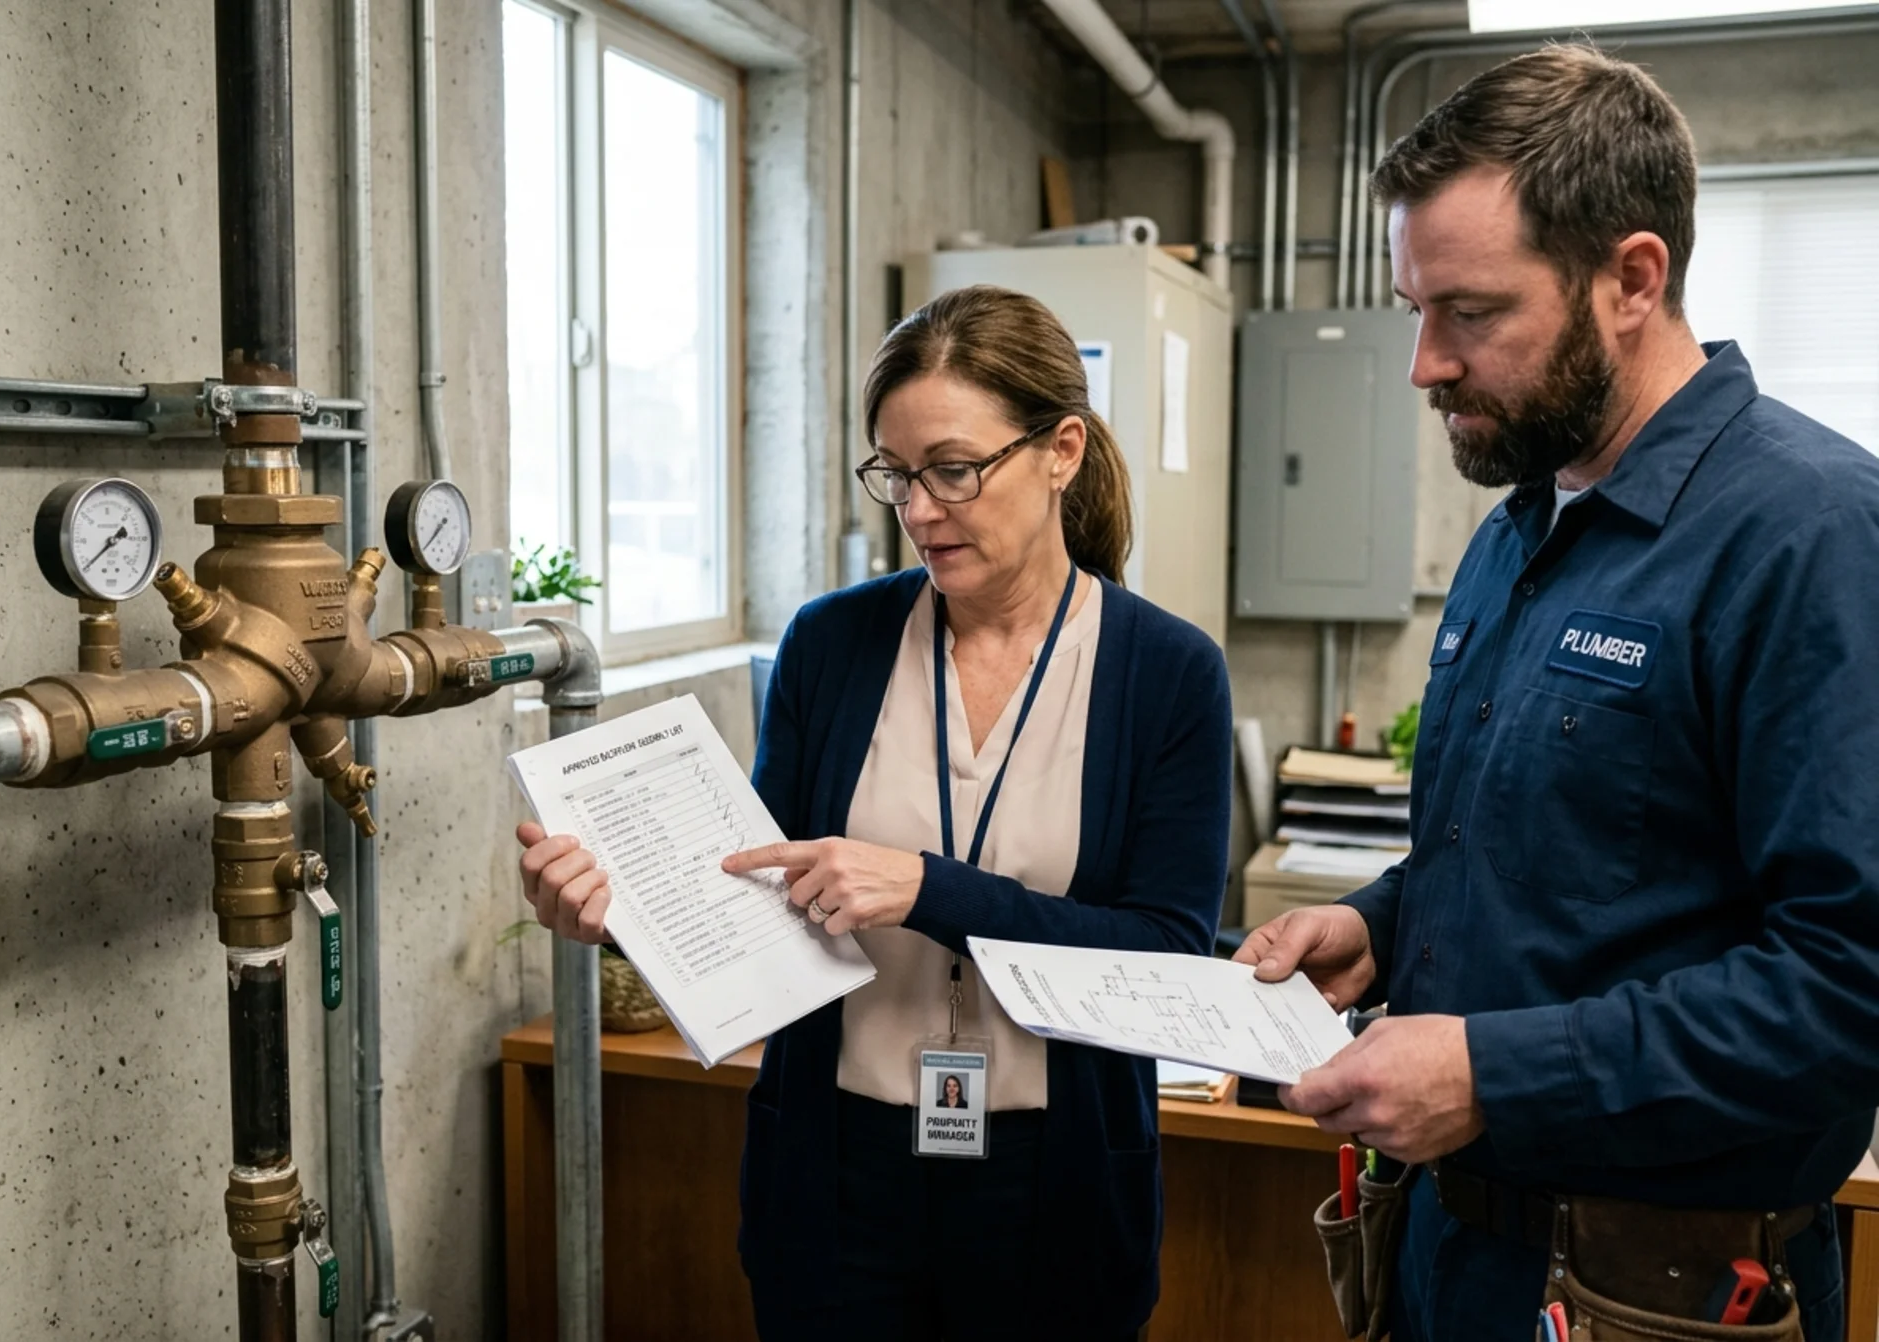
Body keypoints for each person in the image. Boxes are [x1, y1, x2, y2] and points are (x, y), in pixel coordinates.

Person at [1237, 46, 1879, 1341]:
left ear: (1631, 279)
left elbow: (1846, 983)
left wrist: (1487, 1070)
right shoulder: (1517, 528)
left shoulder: (1812, 534)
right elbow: (1555, 851)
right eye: (1416, 308)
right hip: (1451, 1250)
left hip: (1656, 1290)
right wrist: (1378, 920)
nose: (1424, 362)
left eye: (1469, 312)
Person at [518, 284, 1231, 1341]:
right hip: (836, 1171)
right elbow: (764, 891)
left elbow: (1164, 958)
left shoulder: (1166, 672)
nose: (918, 510)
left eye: (952, 468)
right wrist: (616, 908)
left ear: (1061, 450)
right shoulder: (831, 644)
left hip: (1052, 1185)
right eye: (893, 474)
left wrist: (926, 890)